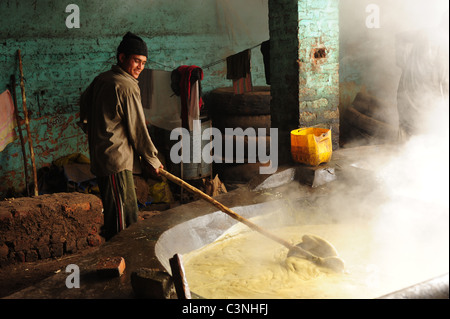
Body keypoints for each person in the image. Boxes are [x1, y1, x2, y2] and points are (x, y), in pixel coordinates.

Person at [79, 32, 163, 240]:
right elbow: (138, 130)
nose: (140, 67)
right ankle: (120, 263)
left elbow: (84, 109)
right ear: (122, 57)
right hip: (116, 162)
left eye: (143, 63)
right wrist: (152, 158)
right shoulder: (125, 86)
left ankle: (120, 260)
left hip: (104, 157)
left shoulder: (101, 79)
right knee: (122, 221)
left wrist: (96, 133)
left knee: (122, 214)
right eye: (136, 61)